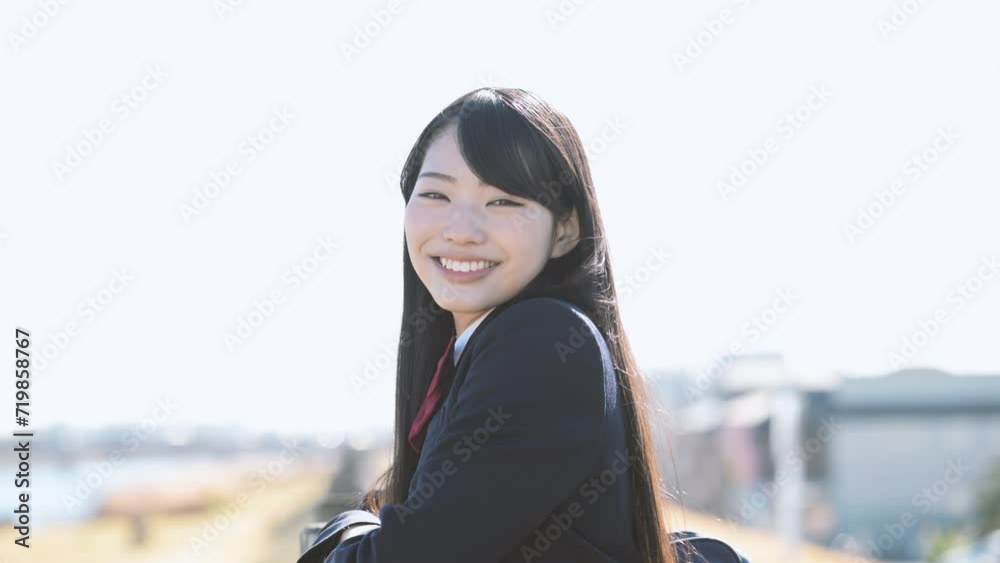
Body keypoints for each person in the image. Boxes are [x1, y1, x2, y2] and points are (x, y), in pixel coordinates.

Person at [299, 87, 751, 563]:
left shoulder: (545, 340)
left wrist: (345, 534)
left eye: (503, 201)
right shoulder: (483, 353)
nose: (461, 229)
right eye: (435, 193)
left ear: (564, 230)